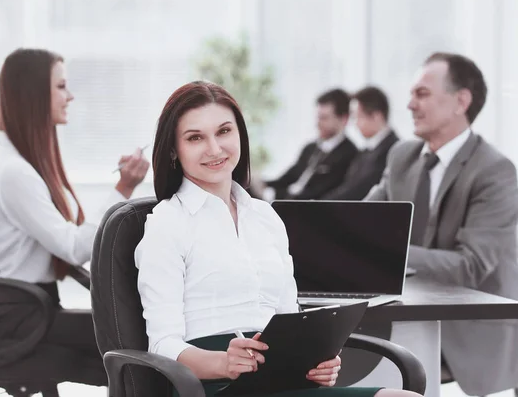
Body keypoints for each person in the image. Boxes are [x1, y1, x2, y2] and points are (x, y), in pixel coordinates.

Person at [135, 80, 421, 397]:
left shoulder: (266, 218)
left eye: (224, 131)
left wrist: (320, 361)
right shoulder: (167, 223)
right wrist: (224, 363)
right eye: (195, 137)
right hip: (213, 387)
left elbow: (290, 318)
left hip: (282, 382)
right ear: (174, 149)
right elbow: (162, 345)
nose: (215, 149)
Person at [0, 48, 149, 386]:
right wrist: (123, 188)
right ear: (34, 94)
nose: (71, 95)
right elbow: (73, 248)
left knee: (129, 349)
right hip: (11, 316)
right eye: (61, 86)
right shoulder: (13, 172)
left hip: (25, 307)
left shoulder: (21, 164)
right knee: (132, 344)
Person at [366, 52, 518, 396]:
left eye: (421, 94)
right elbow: (364, 223)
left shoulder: (496, 171)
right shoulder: (402, 156)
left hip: (472, 335)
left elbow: (470, 266)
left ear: (460, 101)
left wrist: (388, 252)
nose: (409, 105)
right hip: (409, 320)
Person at [262, 89, 357, 200]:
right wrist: (260, 184)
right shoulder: (310, 148)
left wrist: (273, 195)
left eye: (324, 118)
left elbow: (318, 194)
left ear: (344, 119)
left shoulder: (349, 154)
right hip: (287, 201)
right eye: (318, 117)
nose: (318, 123)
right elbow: (286, 179)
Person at [321, 86, 398, 200]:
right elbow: (346, 185)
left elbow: (359, 190)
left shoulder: (393, 151)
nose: (355, 124)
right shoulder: (366, 151)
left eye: (357, 117)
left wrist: (323, 205)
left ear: (376, 116)